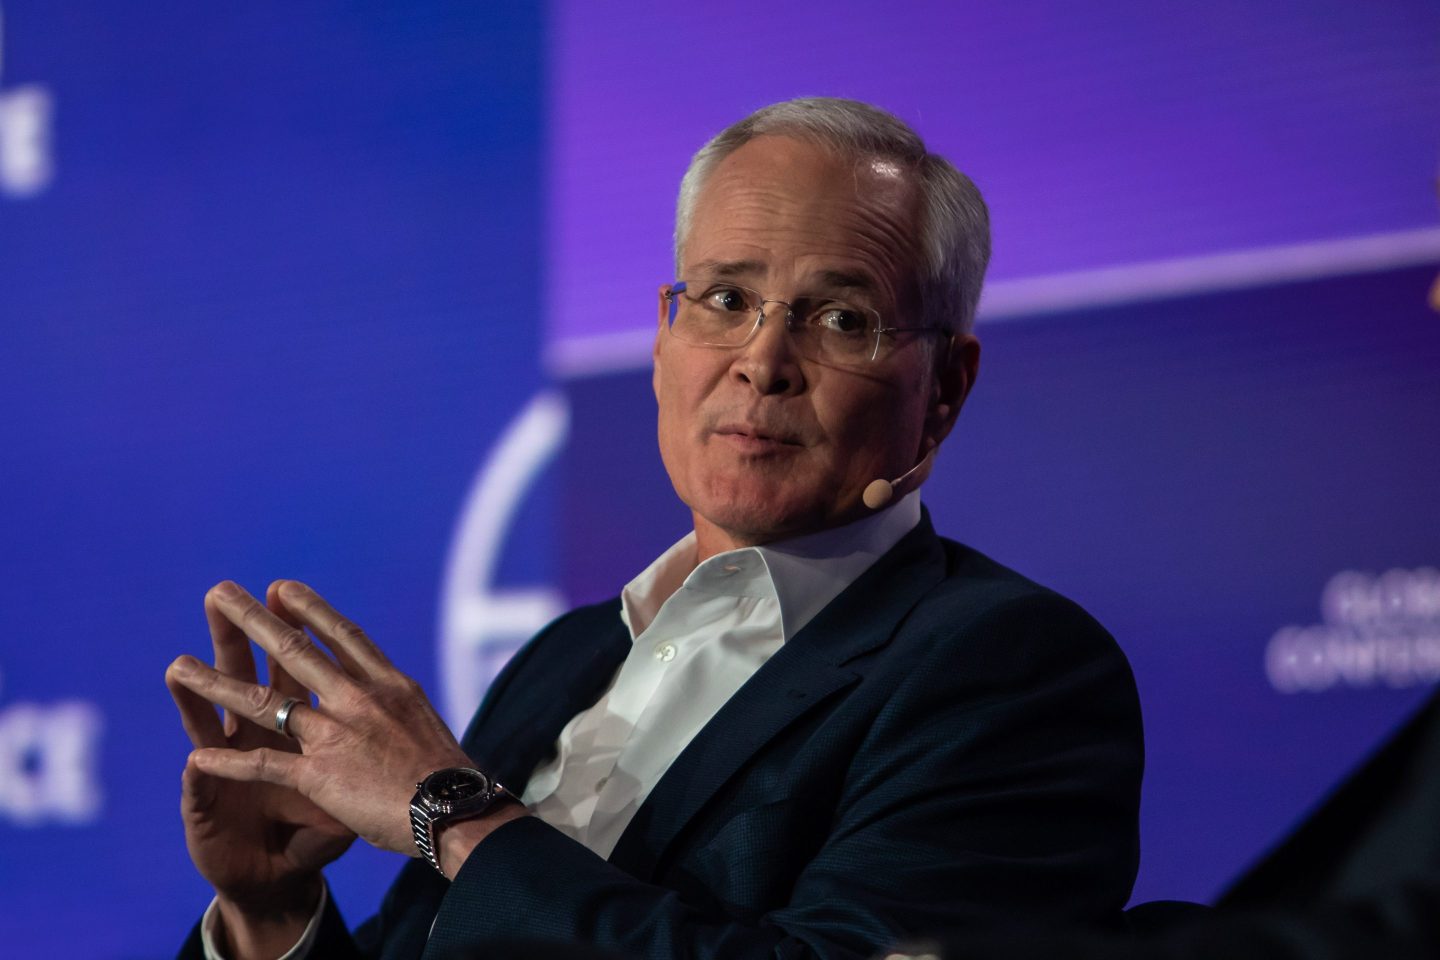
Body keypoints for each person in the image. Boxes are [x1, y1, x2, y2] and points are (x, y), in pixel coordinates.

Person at [166, 97, 1144, 960]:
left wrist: (452, 813)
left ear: (947, 388)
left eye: (842, 319)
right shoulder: (567, 657)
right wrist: (272, 915)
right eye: (725, 300)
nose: (763, 361)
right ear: (663, 341)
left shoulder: (1009, 667)